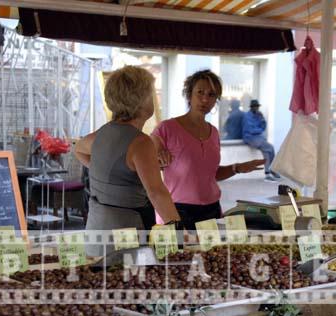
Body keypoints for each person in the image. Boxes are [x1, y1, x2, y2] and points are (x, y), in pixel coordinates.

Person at [74, 66, 182, 247]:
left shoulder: (102, 133)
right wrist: (177, 229)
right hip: (128, 232)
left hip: (96, 230)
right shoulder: (141, 142)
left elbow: (78, 149)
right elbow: (157, 192)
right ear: (140, 100)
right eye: (151, 93)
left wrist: (108, 173)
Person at [151, 70, 264, 227]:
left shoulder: (213, 133)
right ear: (189, 94)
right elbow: (150, 165)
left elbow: (210, 175)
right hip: (177, 210)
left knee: (214, 252)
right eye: (200, 92)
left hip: (211, 210)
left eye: (211, 95)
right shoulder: (166, 129)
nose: (205, 99)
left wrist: (237, 168)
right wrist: (157, 158)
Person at [242, 99, 280, 181]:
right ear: (251, 107)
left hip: (258, 138)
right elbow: (251, 130)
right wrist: (259, 130)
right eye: (255, 107)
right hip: (250, 138)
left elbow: (263, 127)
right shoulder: (247, 116)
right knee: (270, 147)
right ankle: (272, 169)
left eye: (257, 107)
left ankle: (267, 173)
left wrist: (262, 120)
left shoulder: (258, 115)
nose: (256, 108)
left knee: (266, 152)